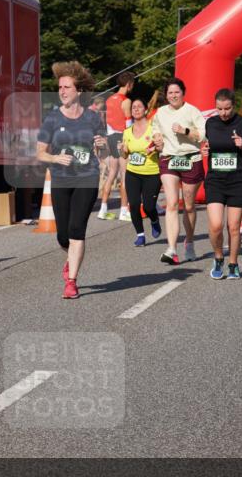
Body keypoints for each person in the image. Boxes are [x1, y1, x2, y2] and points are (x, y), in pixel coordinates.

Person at [36, 61, 107, 299]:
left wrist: (102, 145)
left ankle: (72, 281)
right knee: (63, 236)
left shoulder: (93, 118)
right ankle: (70, 257)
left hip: (87, 178)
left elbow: (104, 152)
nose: (62, 91)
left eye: (67, 87)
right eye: (60, 87)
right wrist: (55, 158)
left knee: (77, 229)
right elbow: (40, 153)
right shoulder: (52, 119)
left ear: (79, 91)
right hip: (61, 179)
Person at [152, 77, 207, 265]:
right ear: (166, 95)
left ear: (183, 93)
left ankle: (189, 242)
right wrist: (157, 138)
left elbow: (202, 135)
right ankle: (172, 249)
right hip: (169, 159)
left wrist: (185, 130)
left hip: (191, 159)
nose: (173, 95)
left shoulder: (192, 111)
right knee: (172, 204)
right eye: (170, 93)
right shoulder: (161, 112)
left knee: (189, 206)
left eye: (177, 92)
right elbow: (155, 129)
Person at [205, 89, 242, 279]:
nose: (224, 113)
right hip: (215, 180)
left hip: (238, 180)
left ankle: (233, 263)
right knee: (215, 225)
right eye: (219, 109)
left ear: (234, 106)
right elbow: (208, 144)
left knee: (233, 227)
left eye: (227, 109)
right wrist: (205, 150)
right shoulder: (210, 123)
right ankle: (219, 257)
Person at [121, 98, 162, 246]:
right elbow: (124, 155)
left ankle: (154, 220)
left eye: (139, 106)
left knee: (148, 206)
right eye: (133, 107)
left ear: (145, 110)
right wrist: (122, 150)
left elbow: (162, 147)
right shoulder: (127, 132)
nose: (136, 109)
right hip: (132, 173)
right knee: (133, 204)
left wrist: (156, 148)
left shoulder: (154, 128)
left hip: (152, 173)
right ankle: (140, 235)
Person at [100, 71, 134, 221]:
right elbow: (128, 123)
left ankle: (103, 209)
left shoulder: (109, 99)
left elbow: (107, 121)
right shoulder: (126, 101)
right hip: (122, 138)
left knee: (112, 173)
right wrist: (130, 141)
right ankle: (124, 211)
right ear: (129, 84)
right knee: (125, 176)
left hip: (111, 137)